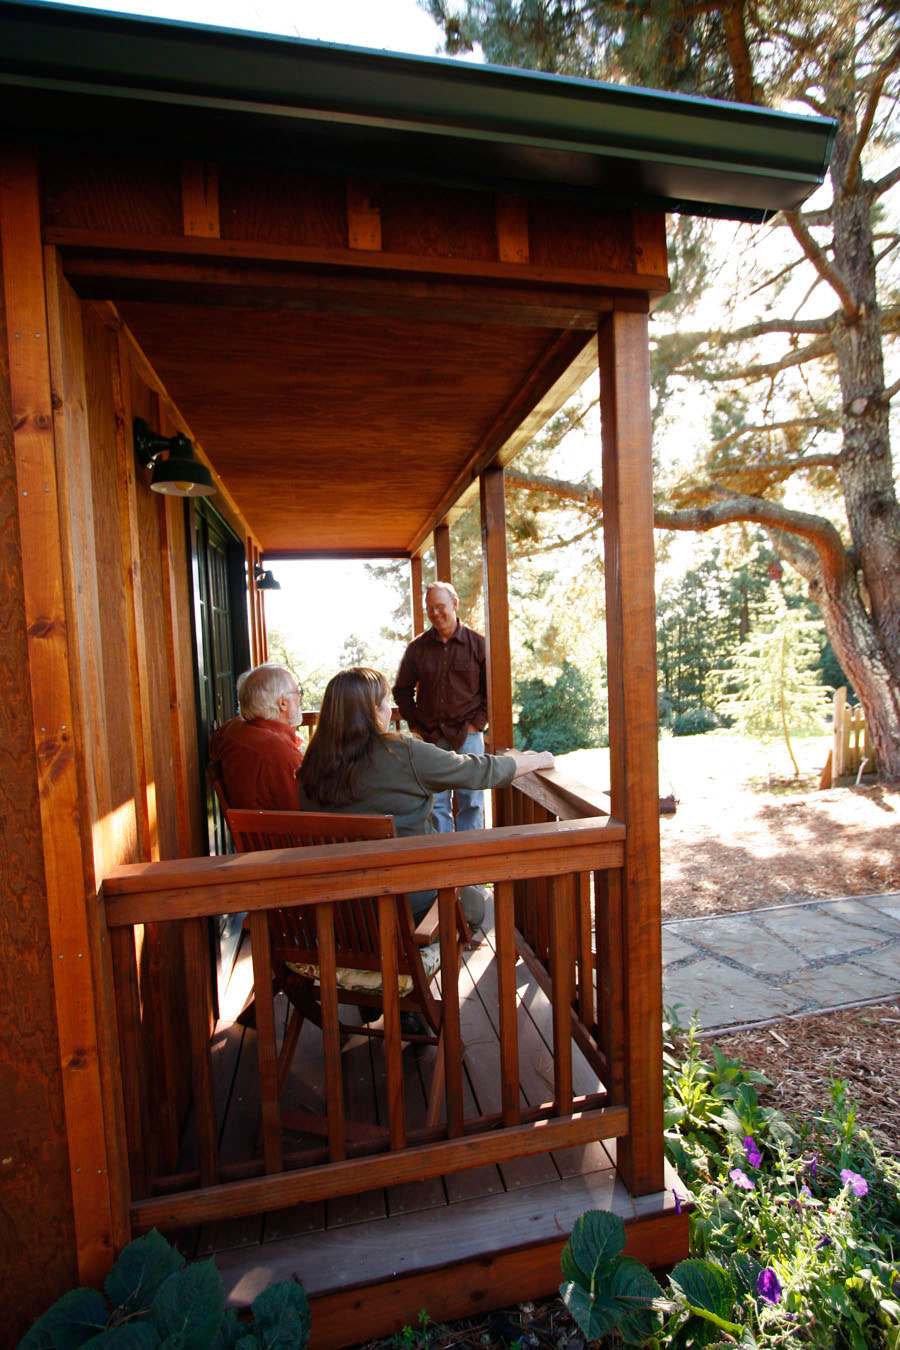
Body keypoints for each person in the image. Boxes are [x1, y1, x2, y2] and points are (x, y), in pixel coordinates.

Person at [297, 667, 553, 928]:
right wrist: (536, 759)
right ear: (373, 711)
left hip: (336, 917)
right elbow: (477, 770)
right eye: (387, 703)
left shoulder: (311, 767)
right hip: (406, 910)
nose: (390, 710)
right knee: (475, 906)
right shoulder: (402, 754)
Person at [392, 581, 489, 833]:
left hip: (467, 737)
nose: (435, 613)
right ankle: (444, 860)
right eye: (430, 608)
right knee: (436, 805)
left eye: (440, 606)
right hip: (431, 738)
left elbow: (492, 691)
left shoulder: (479, 645)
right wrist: (416, 724)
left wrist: (476, 724)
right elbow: (401, 691)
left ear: (454, 605)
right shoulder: (417, 649)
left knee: (472, 802)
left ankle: (470, 861)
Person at [208, 663, 304, 810]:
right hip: (281, 831)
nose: (299, 698)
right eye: (297, 692)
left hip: (250, 830)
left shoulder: (231, 730)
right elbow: (304, 812)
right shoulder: (283, 756)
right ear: (283, 703)